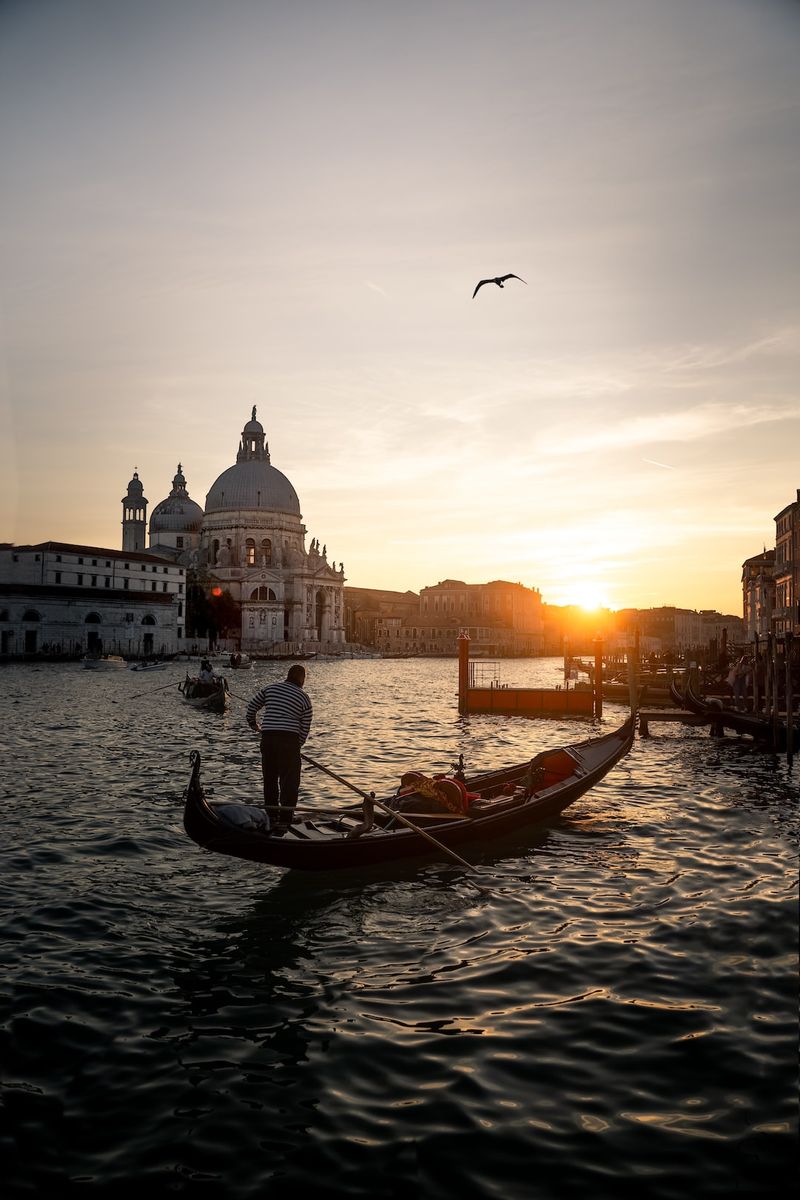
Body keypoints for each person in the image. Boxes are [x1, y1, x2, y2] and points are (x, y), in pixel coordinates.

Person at [246, 664, 313, 833]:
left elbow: (252, 707)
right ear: (301, 678)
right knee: (289, 783)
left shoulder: (270, 689)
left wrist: (254, 724)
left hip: (268, 738)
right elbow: (305, 728)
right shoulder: (304, 698)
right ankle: (286, 818)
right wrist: (296, 746)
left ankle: (271, 815)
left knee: (270, 779)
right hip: (289, 742)